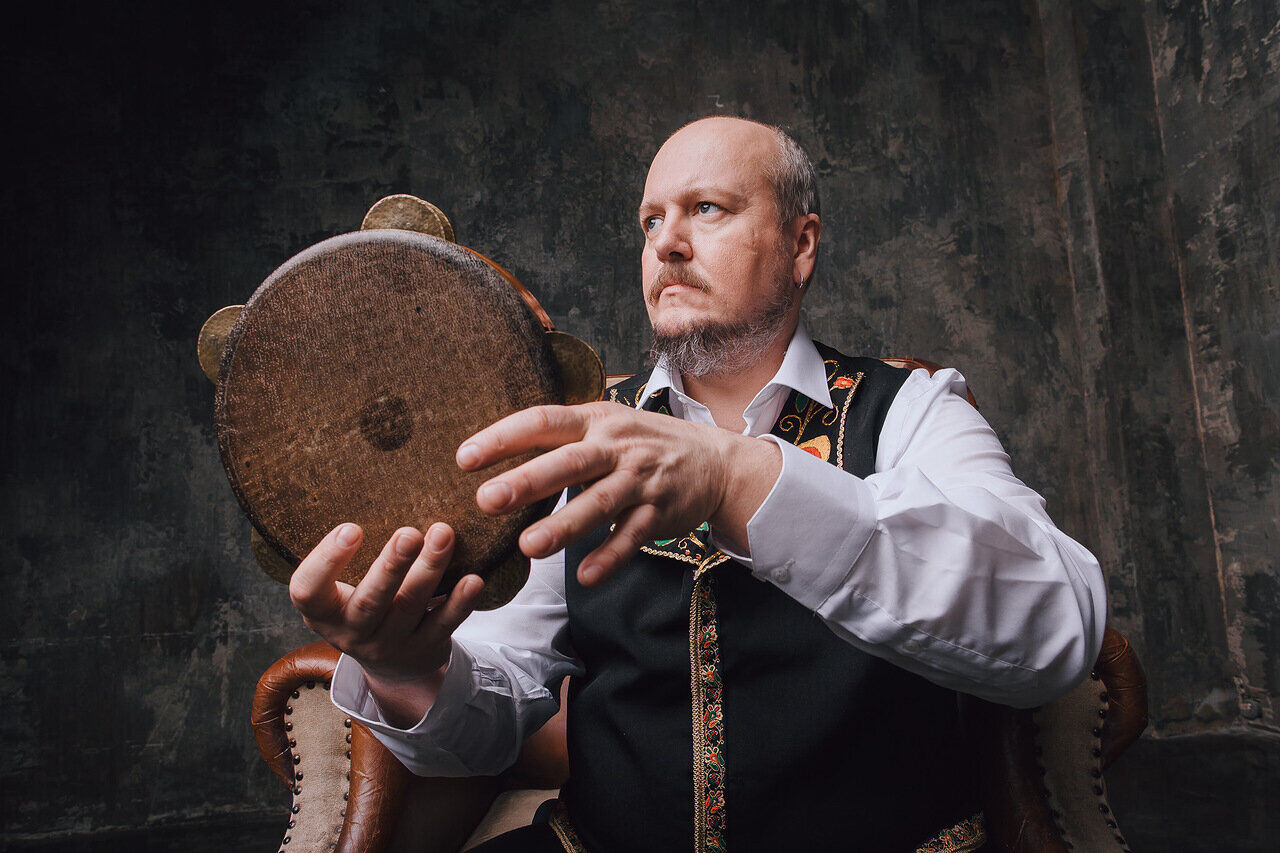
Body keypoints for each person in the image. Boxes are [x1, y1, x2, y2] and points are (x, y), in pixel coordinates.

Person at [288, 116, 1107, 852]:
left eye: (707, 209)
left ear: (801, 244)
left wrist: (735, 477)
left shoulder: (911, 410)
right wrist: (408, 670)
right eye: (651, 221)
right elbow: (489, 721)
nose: (667, 244)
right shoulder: (578, 437)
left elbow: (1059, 626)